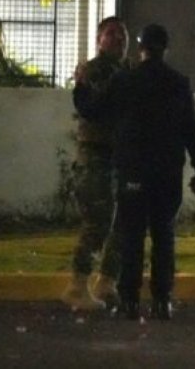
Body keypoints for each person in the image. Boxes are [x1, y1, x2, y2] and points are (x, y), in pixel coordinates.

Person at [74, 23, 195, 321]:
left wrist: (81, 85)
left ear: (140, 48)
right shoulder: (179, 83)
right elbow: (193, 130)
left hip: (133, 170)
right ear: (166, 49)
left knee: (132, 234)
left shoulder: (125, 80)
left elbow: (92, 109)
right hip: (168, 171)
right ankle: (162, 300)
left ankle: (130, 300)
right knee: (163, 234)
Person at [62, 15, 129, 311]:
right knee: (98, 221)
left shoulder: (125, 71)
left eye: (122, 34)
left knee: (124, 221)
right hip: (96, 156)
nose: (119, 39)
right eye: (111, 34)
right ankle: (78, 285)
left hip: (120, 156)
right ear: (99, 40)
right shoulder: (96, 71)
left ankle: (107, 281)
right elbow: (93, 107)